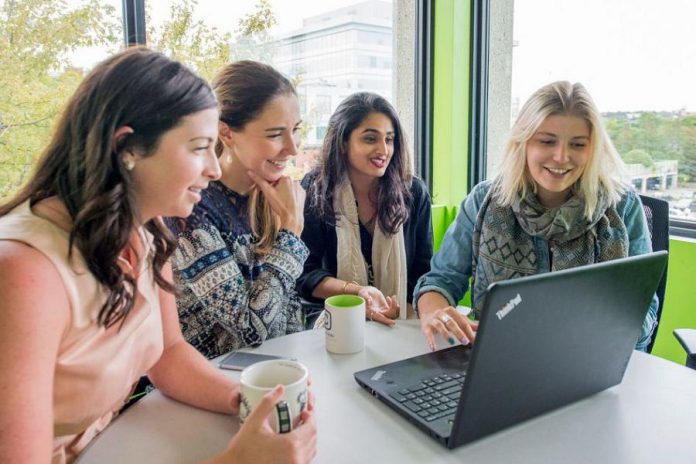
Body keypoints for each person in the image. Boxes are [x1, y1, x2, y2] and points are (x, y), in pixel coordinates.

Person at [0, 47, 316, 464]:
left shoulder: (147, 229)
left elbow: (168, 355)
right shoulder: (25, 272)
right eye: (199, 147)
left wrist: (247, 400)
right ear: (127, 148)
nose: (215, 169)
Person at [414, 81, 658, 352]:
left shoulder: (623, 205)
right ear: (524, 142)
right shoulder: (484, 200)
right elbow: (440, 281)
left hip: (595, 361)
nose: (561, 156)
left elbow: (644, 308)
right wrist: (434, 312)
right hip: (502, 355)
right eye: (547, 141)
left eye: (578, 144)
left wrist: (608, 327)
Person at [164, 61, 307, 359]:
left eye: (296, 130)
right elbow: (248, 331)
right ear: (226, 134)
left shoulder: (274, 196)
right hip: (208, 386)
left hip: (272, 375)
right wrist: (291, 234)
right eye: (275, 134)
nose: (293, 149)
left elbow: (288, 313)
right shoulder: (192, 208)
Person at [299, 92, 433, 326]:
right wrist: (357, 293)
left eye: (389, 139)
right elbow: (304, 275)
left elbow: (422, 272)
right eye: (370, 139)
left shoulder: (414, 193)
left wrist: (397, 314)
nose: (383, 150)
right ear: (342, 142)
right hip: (332, 320)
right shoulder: (314, 190)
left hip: (399, 321)